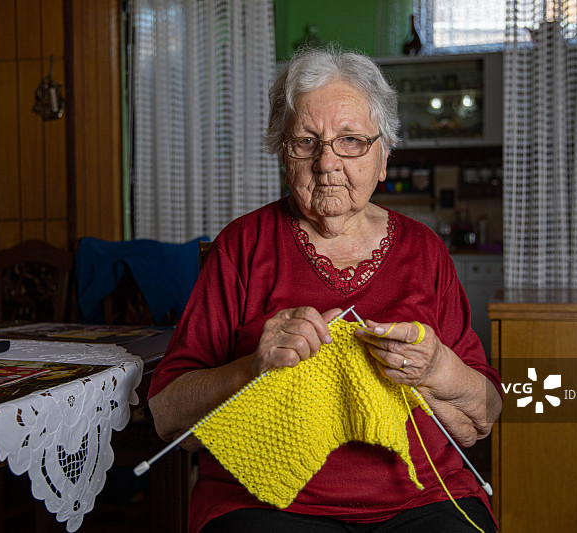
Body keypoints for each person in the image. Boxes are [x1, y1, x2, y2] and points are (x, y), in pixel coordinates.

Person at [148, 46, 502, 533]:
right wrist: (252, 368)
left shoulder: (425, 251)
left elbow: (482, 417)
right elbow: (167, 416)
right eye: (306, 141)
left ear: (383, 156)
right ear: (283, 153)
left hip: (422, 498)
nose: (327, 162)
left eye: (350, 140)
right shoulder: (243, 246)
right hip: (266, 502)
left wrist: (436, 367)